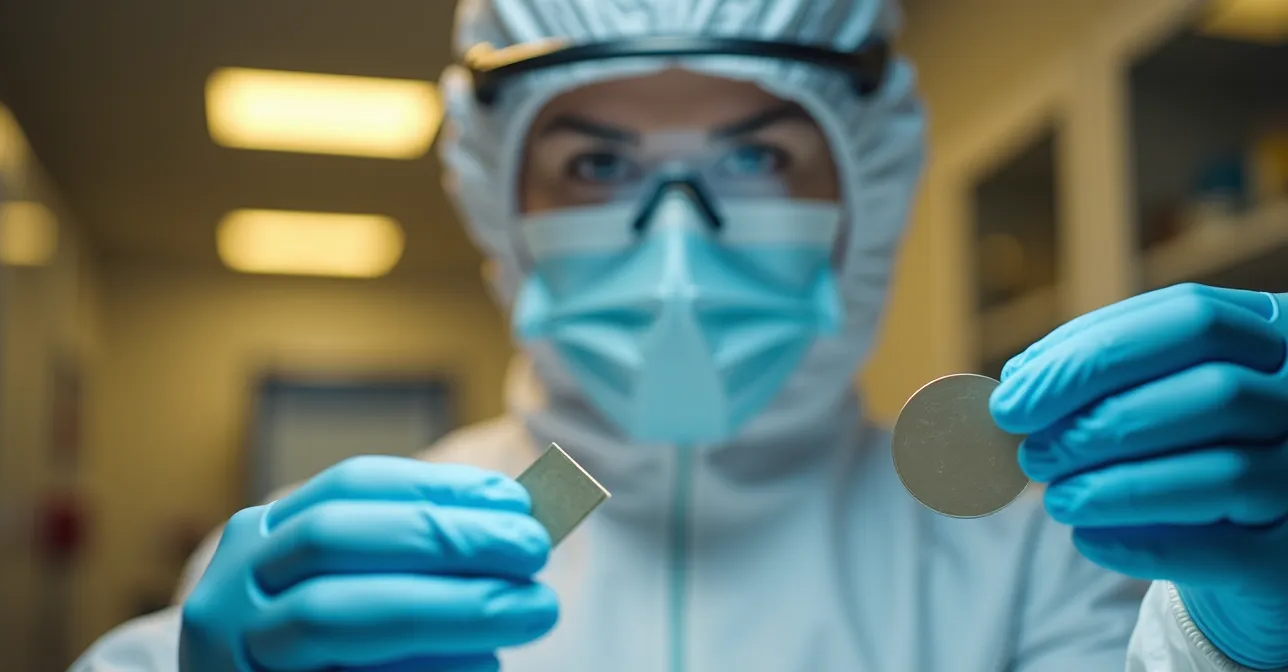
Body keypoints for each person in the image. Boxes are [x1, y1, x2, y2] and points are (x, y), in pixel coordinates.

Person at [72, 0, 1288, 670]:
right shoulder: (349, 561)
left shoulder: (1038, 550)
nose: (674, 245)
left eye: (753, 155)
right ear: (501, 196)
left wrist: (1237, 641)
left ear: (864, 187)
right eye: (597, 161)